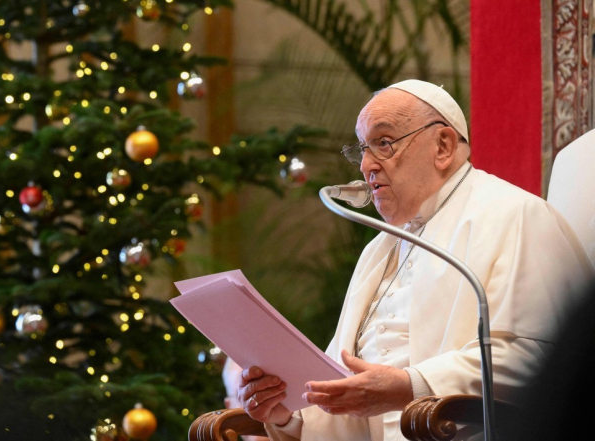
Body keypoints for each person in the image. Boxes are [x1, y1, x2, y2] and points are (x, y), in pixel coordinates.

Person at [234, 79, 594, 440]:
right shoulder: (378, 251)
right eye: (361, 149)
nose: (365, 166)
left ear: (443, 146)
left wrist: (411, 386)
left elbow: (545, 359)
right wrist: (286, 416)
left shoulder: (516, 216)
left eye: (384, 143)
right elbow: (348, 397)